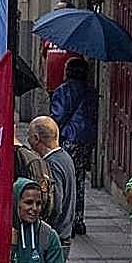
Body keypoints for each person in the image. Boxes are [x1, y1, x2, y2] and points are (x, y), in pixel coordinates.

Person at [51, 57, 97, 236]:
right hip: (86, 138)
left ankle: (65, 219)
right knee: (79, 178)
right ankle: (79, 219)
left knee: (63, 178)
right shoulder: (90, 91)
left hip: (69, 137)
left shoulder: (63, 91)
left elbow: (58, 116)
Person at [26, 116, 76, 257]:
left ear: (36, 138)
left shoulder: (51, 164)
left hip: (56, 237)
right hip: (64, 234)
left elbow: (55, 205)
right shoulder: (65, 157)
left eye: (29, 136)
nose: (28, 140)